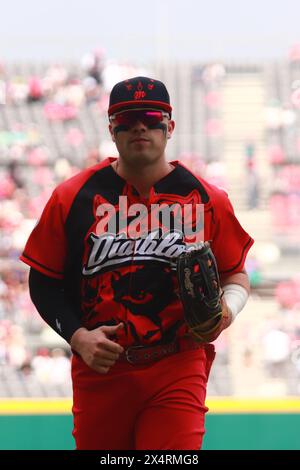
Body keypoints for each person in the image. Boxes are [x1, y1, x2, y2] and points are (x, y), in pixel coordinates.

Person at [20, 76, 254, 450]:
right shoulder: (73, 197)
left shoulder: (207, 198)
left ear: (170, 127)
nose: (140, 126)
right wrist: (78, 336)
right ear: (112, 130)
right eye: (127, 119)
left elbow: (236, 273)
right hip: (102, 368)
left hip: (177, 364)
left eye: (150, 116)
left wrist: (228, 310)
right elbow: (43, 280)